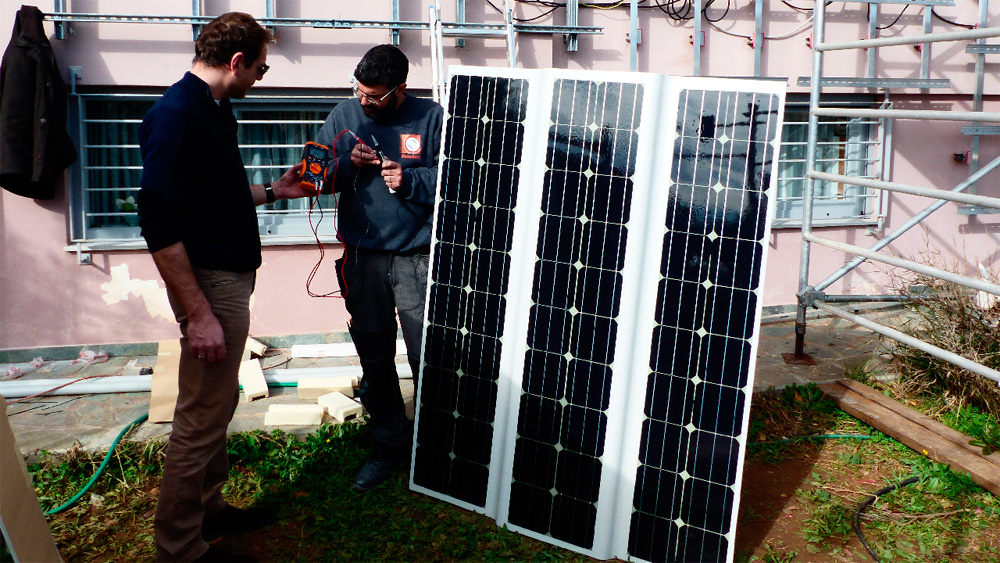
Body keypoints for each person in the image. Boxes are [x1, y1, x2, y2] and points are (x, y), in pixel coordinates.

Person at [137, 12, 312, 563]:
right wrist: (200, 313)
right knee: (200, 416)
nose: (260, 77)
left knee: (217, 404)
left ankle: (208, 510)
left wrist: (273, 192)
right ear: (237, 62)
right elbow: (159, 225)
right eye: (260, 68)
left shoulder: (213, 109)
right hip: (209, 284)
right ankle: (180, 549)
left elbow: (213, 197)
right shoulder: (175, 116)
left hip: (225, 278)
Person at [316, 44, 443, 493]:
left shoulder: (431, 117)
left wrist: (411, 179)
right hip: (362, 259)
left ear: (400, 88)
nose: (364, 101)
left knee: (429, 357)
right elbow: (312, 176)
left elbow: (459, 179)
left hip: (418, 259)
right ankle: (388, 444)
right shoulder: (344, 115)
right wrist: (345, 164)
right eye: (360, 92)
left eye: (374, 95)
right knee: (374, 355)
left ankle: (436, 450)